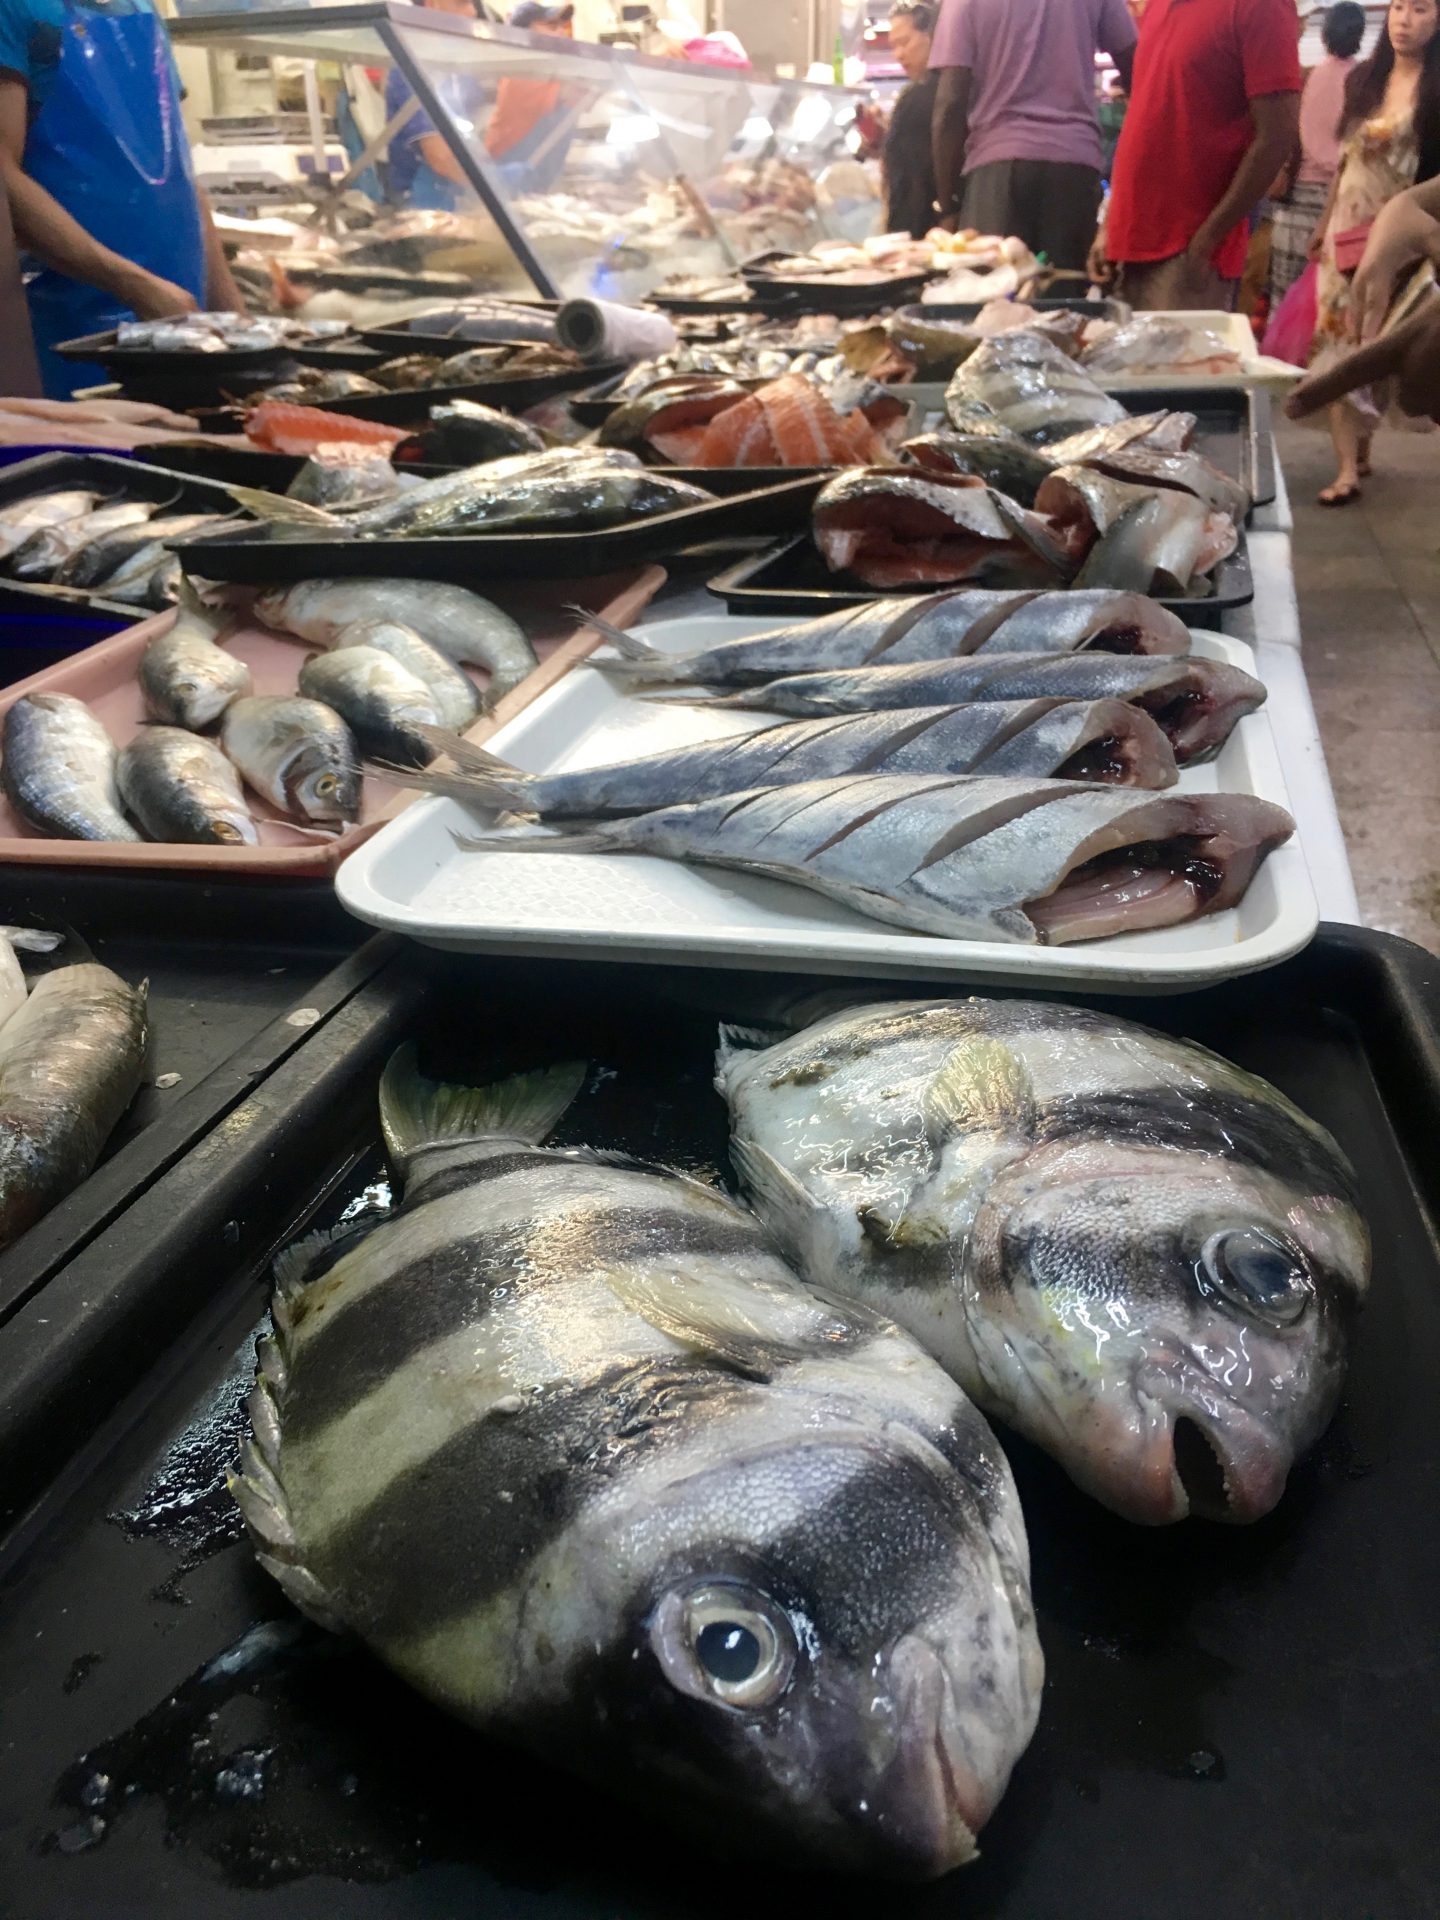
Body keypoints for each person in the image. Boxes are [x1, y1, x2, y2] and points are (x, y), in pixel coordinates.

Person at [0, 0, 244, 399]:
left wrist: (233, 313)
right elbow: (3, 176)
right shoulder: (15, 8)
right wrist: (134, 285)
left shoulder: (143, 11)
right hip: (72, 330)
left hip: (181, 317)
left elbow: (180, 176)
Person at [1306, 0, 1440, 504]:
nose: (1406, 19)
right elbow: (1344, 162)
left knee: (1380, 343)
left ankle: (1362, 445)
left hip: (1400, 240)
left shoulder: (1434, 90)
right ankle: (1345, 467)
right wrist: (1323, 225)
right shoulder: (1365, 78)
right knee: (1340, 343)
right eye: (1400, 7)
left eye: (1421, 9)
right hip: (1344, 235)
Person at [1092, 0, 1303, 311]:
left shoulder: (1261, 6)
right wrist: (1109, 225)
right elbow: (1143, 120)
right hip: (1128, 244)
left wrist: (1208, 240)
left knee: (1178, 359)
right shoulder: (1156, 7)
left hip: (1186, 253)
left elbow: (1277, 135)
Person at [929, 0, 1136, 271]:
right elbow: (1137, 66)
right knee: (1065, 303)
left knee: (993, 299)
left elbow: (950, 102)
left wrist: (947, 204)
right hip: (1074, 169)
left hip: (997, 169)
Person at [1270, 3, 1366, 313]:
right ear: (1360, 35)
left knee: (1283, 305)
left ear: (1324, 34)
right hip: (1344, 207)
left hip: (1296, 201)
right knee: (1328, 309)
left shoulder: (1303, 78)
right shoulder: (1366, 85)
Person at [385, 0, 485, 211]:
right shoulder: (412, 64)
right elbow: (440, 157)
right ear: (433, 4)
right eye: (462, 3)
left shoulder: (458, 68)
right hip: (420, 204)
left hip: (456, 194)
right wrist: (496, 185)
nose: (473, 12)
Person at [485, 3, 580, 191]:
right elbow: (573, 93)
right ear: (524, 33)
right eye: (552, 26)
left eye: (563, 26)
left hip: (534, 175)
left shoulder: (549, 72)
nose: (561, 33)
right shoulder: (520, 74)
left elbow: (583, 100)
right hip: (504, 177)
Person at [882, 2, 938, 238]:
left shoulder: (918, 97)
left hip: (920, 227)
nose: (899, 55)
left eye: (905, 42)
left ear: (931, 35)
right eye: (894, 46)